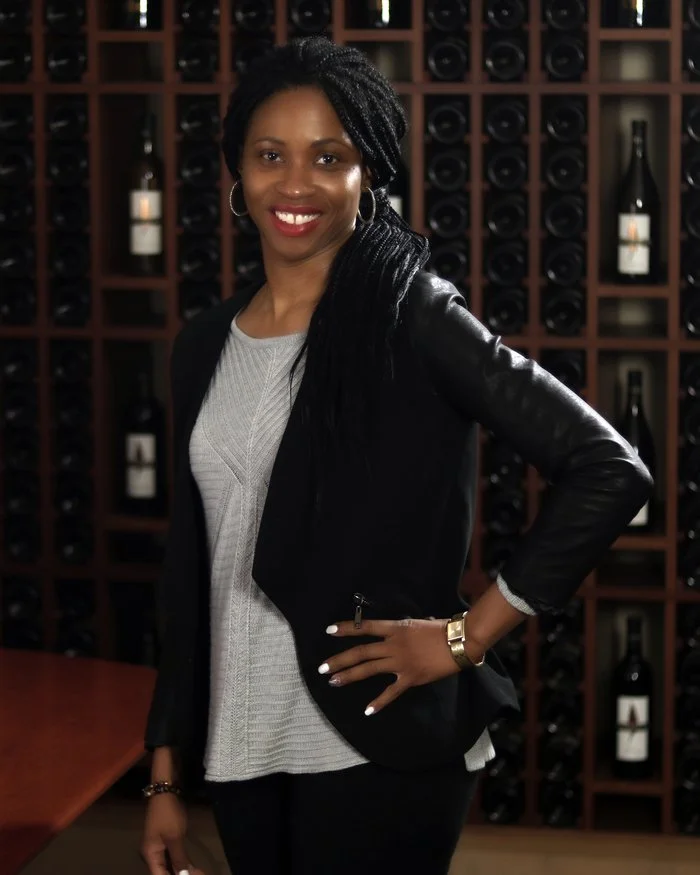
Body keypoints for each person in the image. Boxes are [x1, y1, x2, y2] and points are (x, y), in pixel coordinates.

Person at [140, 36, 652, 875]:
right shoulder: (204, 345)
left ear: (367, 174)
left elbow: (609, 467)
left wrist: (463, 637)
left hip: (376, 740)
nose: (295, 183)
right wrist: (164, 772)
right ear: (237, 171)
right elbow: (190, 569)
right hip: (241, 741)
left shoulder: (415, 318)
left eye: (328, 157)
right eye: (270, 155)